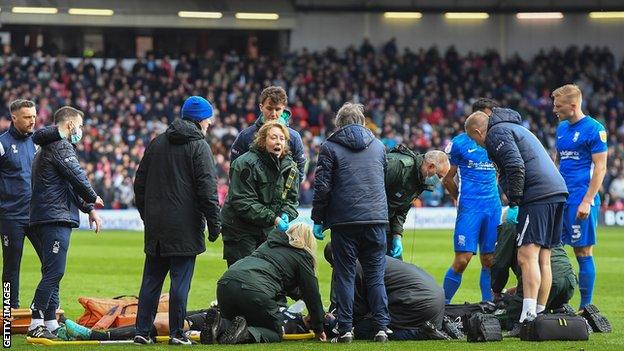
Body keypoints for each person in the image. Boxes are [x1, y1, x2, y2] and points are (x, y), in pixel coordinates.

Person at [465, 108, 568, 324]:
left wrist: (515, 200)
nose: (477, 145)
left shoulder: (496, 133)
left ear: (477, 131)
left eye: (474, 140)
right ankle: (538, 317)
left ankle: (527, 319)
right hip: (557, 191)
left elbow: (515, 165)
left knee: (526, 256)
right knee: (543, 258)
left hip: (537, 194)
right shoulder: (516, 128)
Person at [133, 96, 221, 345]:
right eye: (209, 118)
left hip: (157, 226)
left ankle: (142, 330)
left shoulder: (157, 142)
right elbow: (207, 189)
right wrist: (215, 225)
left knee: (151, 279)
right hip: (184, 226)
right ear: (201, 119)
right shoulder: (199, 146)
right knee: (180, 282)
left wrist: (147, 215)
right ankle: (177, 333)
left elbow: (139, 183)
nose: (211, 122)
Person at [311, 102, 390, 343]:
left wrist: (318, 219)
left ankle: (345, 328)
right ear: (363, 122)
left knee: (345, 275)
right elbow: (382, 178)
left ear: (338, 123)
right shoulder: (378, 146)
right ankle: (382, 327)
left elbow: (322, 186)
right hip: (376, 218)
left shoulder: (330, 147)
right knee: (376, 275)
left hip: (345, 220)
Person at [28, 106, 104, 339]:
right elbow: (76, 176)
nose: (81, 130)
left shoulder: (47, 147)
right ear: (70, 125)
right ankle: (36, 321)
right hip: (54, 218)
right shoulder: (61, 146)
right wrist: (93, 197)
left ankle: (50, 321)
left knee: (52, 271)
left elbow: (68, 186)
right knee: (54, 272)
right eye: (79, 126)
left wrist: (88, 209)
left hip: (47, 215)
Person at [212, 223, 326, 344]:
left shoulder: (268, 245)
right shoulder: (303, 256)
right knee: (276, 332)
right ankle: (245, 333)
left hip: (224, 284)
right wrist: (318, 327)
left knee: (236, 320)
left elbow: (287, 283)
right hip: (255, 290)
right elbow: (312, 294)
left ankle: (219, 325)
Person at [441, 98, 502, 303]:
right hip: (470, 208)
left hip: (493, 207)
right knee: (462, 260)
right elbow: (447, 177)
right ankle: (443, 306)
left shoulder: (498, 141)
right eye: (488, 113)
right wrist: (458, 196)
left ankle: (488, 306)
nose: (492, 117)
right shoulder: (459, 143)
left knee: (489, 260)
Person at [552, 84, 608, 310]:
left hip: (580, 199)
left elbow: (601, 168)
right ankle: (554, 300)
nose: (554, 110)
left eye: (558, 106)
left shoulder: (594, 129)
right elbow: (558, 162)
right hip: (560, 197)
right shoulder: (561, 128)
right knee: (552, 247)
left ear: (573, 106)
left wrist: (587, 200)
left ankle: (586, 307)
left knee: (583, 251)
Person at [324, 242, 448, 341]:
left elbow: (357, 313)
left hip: (417, 302)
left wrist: (333, 322)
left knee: (365, 330)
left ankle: (421, 333)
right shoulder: (370, 256)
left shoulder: (353, 267)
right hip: (432, 300)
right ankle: (436, 327)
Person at [220, 121, 299, 267]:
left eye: (282, 139)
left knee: (264, 277)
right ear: (262, 140)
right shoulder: (245, 163)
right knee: (243, 276)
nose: (278, 142)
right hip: (240, 230)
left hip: (266, 229)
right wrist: (274, 219)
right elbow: (243, 202)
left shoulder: (290, 167)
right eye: (273, 137)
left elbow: (291, 199)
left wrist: (286, 212)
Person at [491, 219, 576, 333]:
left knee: (510, 315)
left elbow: (499, 265)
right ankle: (560, 313)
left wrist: (497, 290)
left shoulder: (509, 227)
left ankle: (526, 322)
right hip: (568, 282)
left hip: (545, 284)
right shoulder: (544, 220)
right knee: (545, 308)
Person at [1, 99, 39, 309]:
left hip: (37, 215)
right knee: (11, 267)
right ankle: (10, 310)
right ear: (14, 118)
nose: (32, 121)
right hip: (10, 217)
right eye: (27, 117)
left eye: (34, 116)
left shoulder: (39, 142)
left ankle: (48, 309)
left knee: (52, 265)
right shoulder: (2, 144)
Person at [385, 146, 450, 259]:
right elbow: (370, 191)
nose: (439, 181)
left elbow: (401, 209)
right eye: (439, 176)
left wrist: (397, 235)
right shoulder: (398, 166)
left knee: (396, 265)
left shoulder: (420, 181)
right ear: (430, 166)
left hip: (384, 222)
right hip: (370, 221)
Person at [230, 86, 306, 180]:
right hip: (251, 193)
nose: (273, 114)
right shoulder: (245, 136)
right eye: (269, 108)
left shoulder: (294, 137)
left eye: (277, 109)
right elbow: (234, 171)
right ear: (261, 107)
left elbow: (300, 173)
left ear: (283, 109)